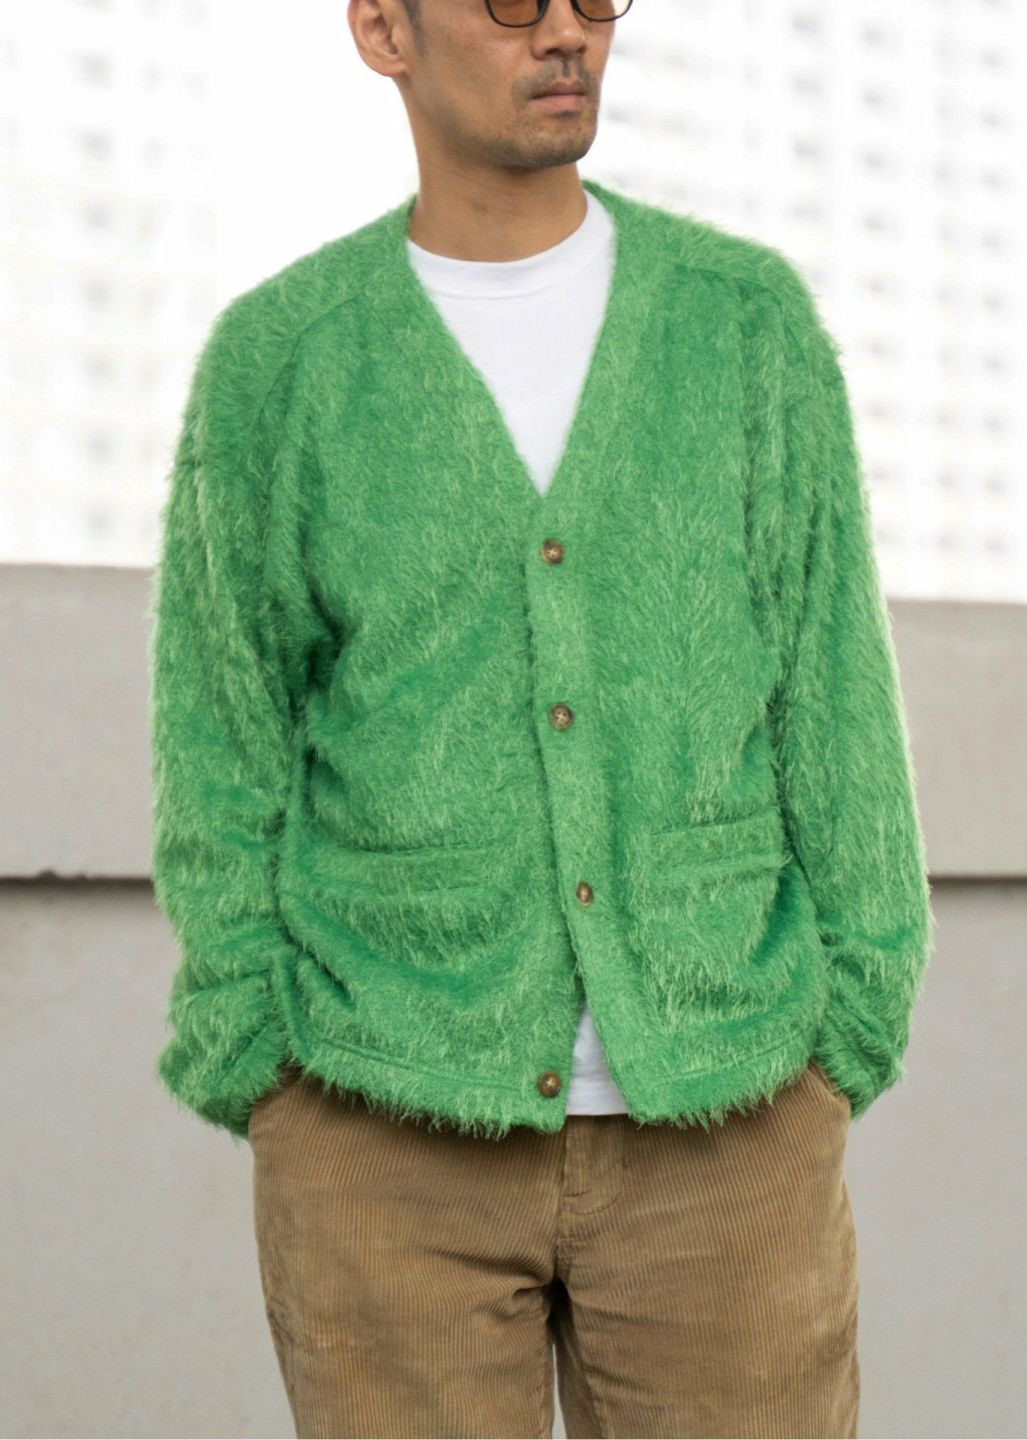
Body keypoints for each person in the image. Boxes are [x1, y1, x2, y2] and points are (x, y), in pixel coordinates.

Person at [148, 0, 934, 1434]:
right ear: (383, 30)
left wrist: (846, 1034)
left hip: (729, 1115)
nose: (565, 31)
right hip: (381, 1122)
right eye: (513, 1)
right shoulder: (283, 360)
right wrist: (260, 1058)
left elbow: (833, 692)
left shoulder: (742, 325)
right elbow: (223, 730)